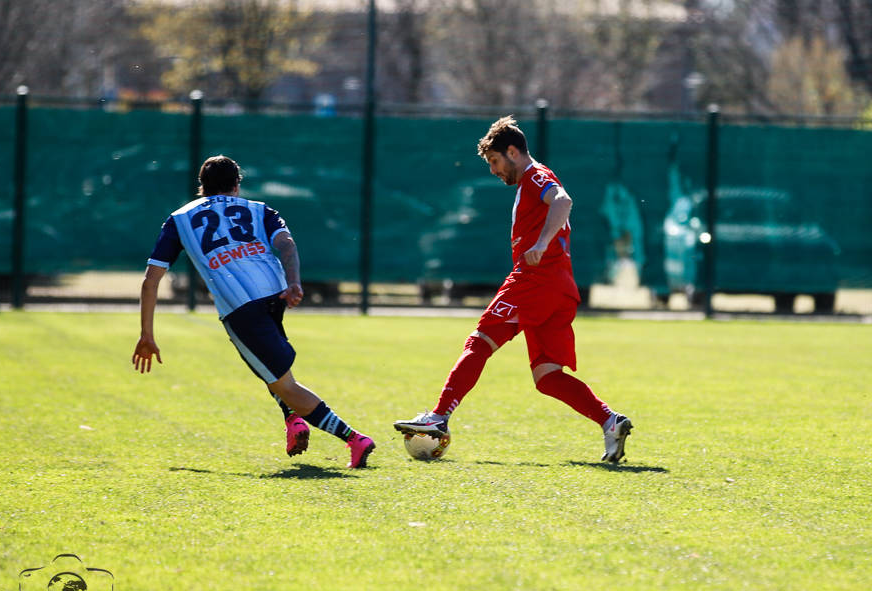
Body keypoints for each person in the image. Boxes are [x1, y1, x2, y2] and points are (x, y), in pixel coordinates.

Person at [394, 117, 633, 463]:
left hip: (534, 281)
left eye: (494, 161)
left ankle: (439, 416)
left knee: (479, 342)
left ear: (512, 151)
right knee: (548, 377)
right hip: (560, 286)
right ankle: (610, 421)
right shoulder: (534, 180)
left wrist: (540, 243)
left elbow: (563, 202)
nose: (493, 170)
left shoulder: (536, 176)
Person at [132, 155, 375, 468]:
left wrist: (146, 334)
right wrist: (294, 282)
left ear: (200, 187)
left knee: (283, 383)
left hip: (240, 304)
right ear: (236, 186)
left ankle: (354, 439)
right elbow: (286, 244)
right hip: (274, 291)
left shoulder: (179, 219)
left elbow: (151, 281)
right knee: (270, 368)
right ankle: (294, 422)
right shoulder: (261, 210)